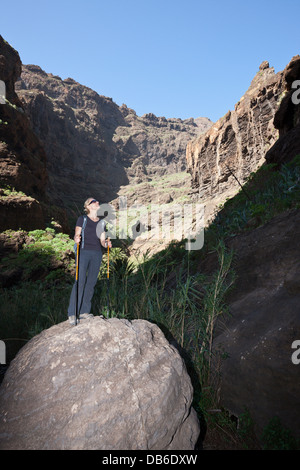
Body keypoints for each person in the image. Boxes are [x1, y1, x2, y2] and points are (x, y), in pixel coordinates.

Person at [68, 197, 112, 324]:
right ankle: (72, 313)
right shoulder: (83, 219)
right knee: (80, 281)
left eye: (97, 201)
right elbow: (77, 234)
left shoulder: (101, 223)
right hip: (83, 252)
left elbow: (102, 241)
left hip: (97, 253)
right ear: (88, 206)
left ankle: (84, 312)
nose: (97, 202)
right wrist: (76, 238)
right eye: (94, 201)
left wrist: (106, 244)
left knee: (91, 282)